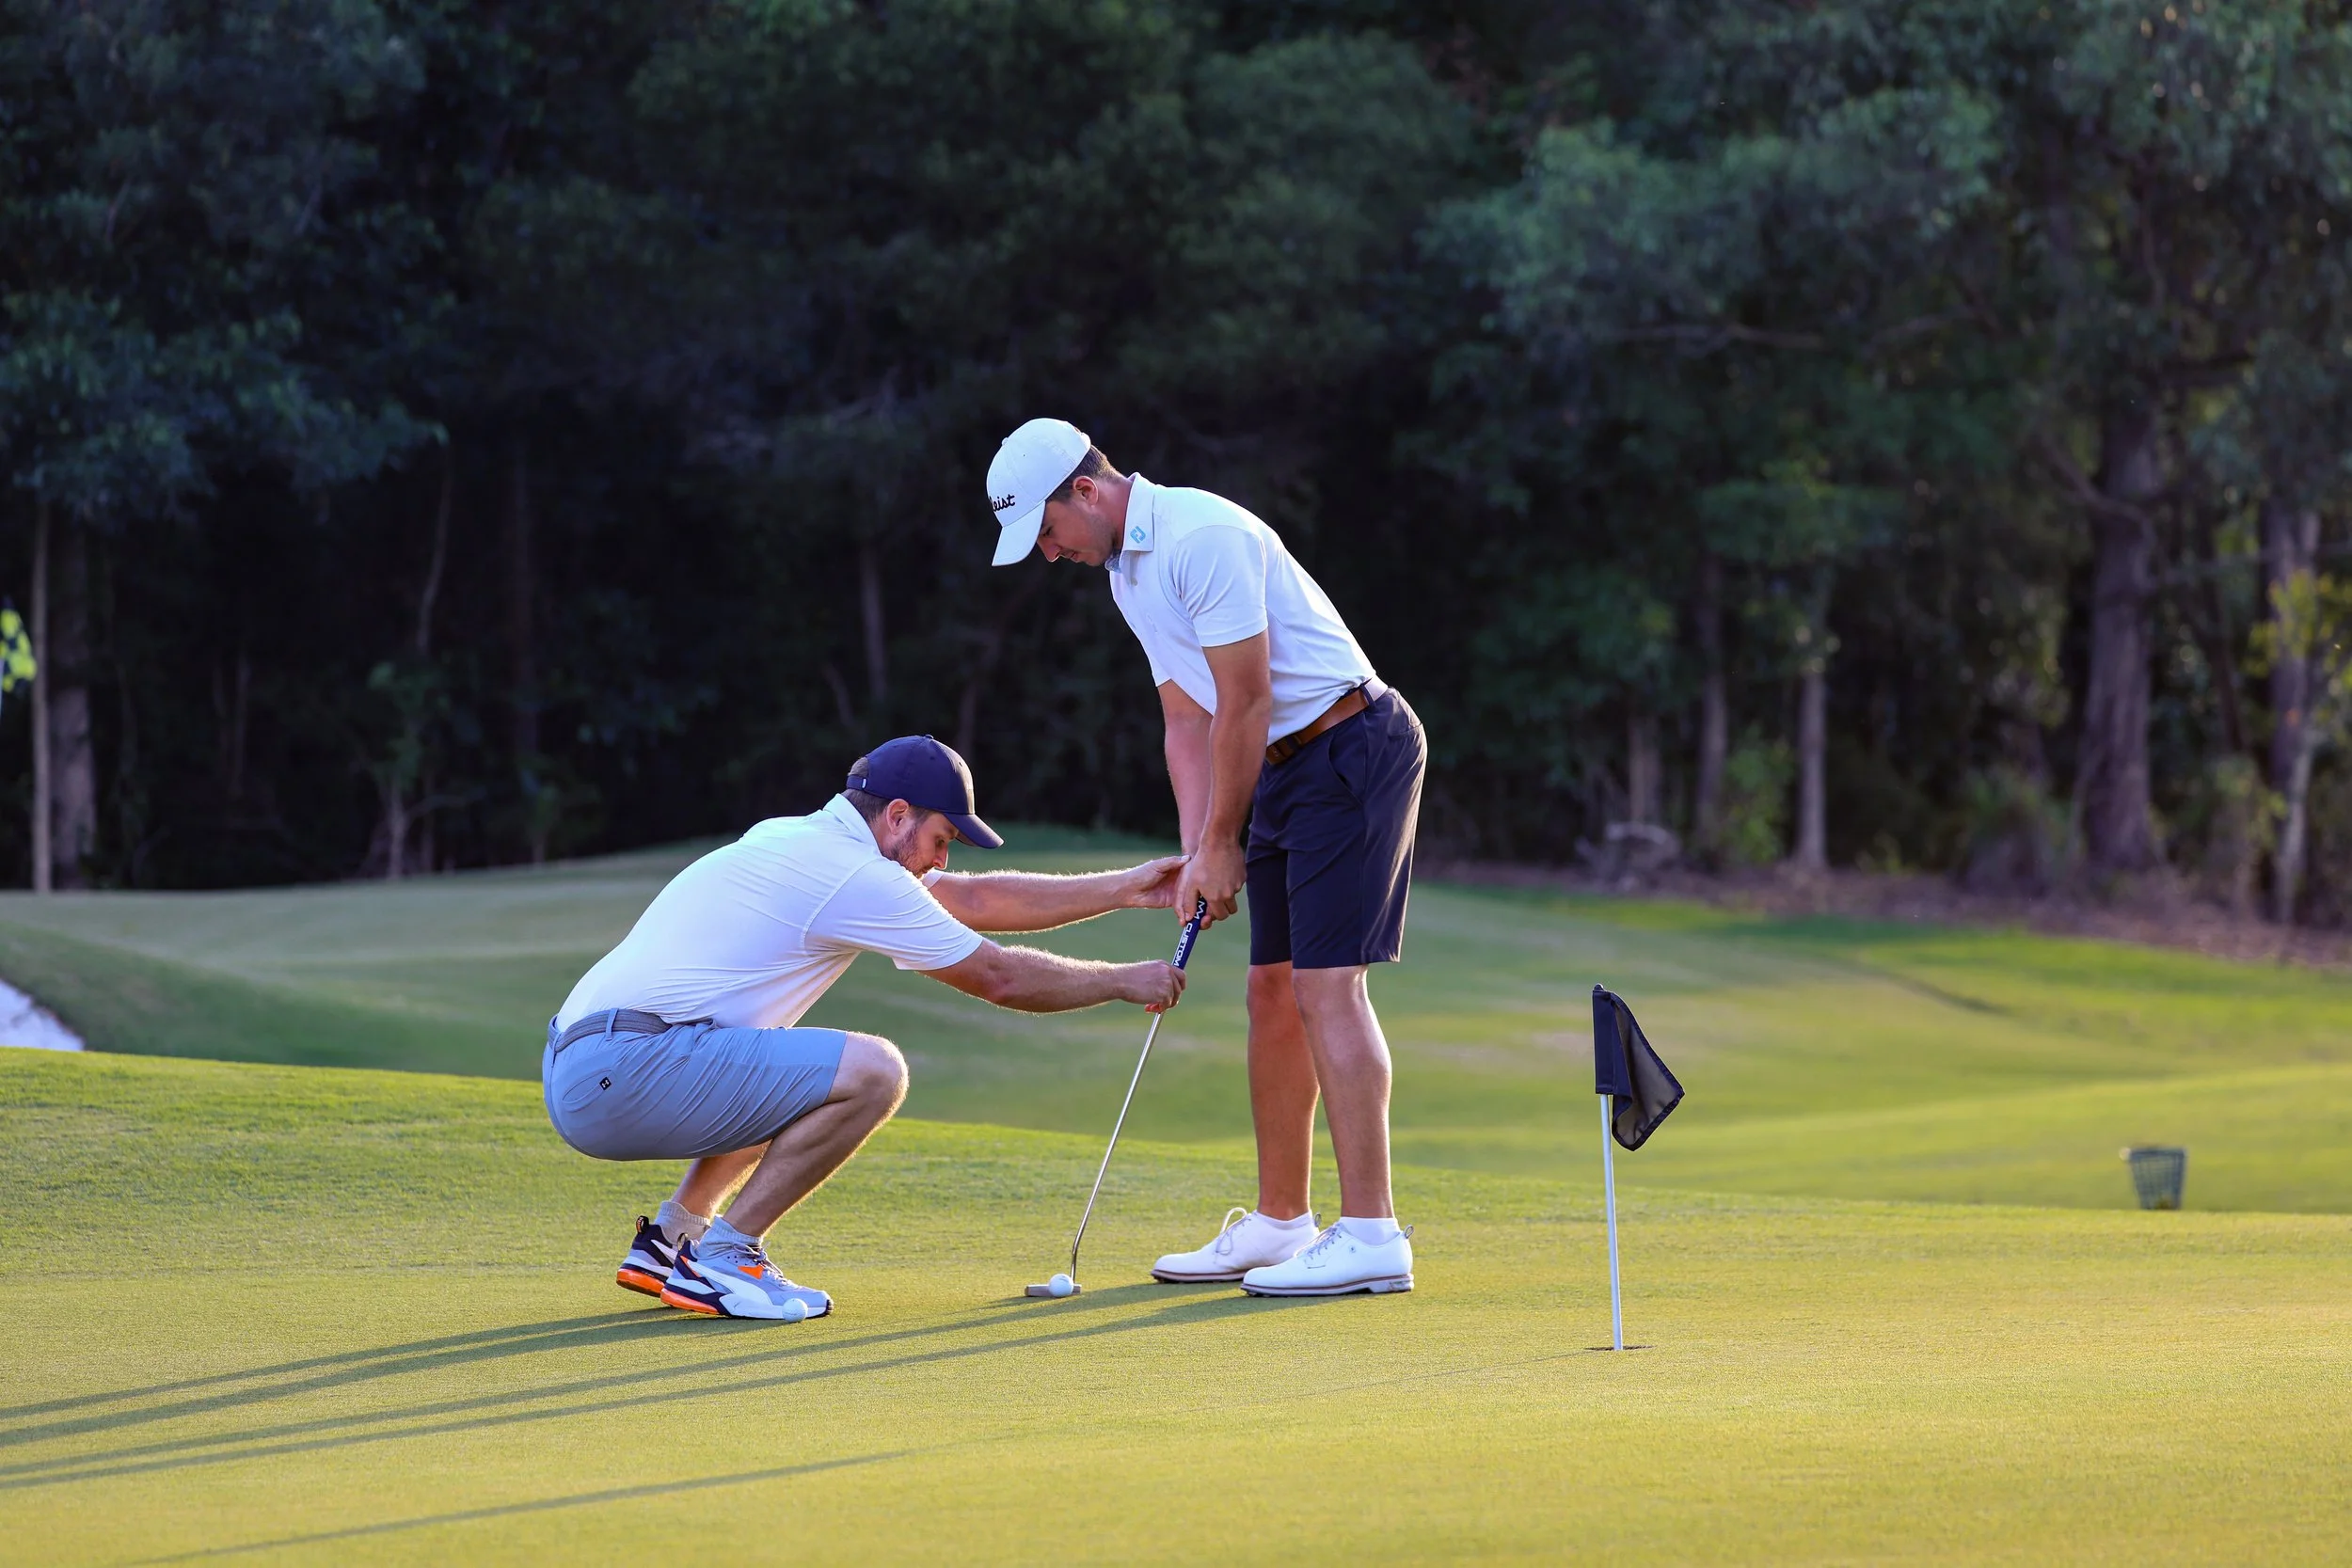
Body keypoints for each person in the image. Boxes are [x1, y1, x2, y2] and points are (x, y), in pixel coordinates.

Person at [985, 419, 1425, 1297]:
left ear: (1086, 491)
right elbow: (1186, 719)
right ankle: (1279, 1222)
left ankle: (1374, 1231)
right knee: (1272, 987)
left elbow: (1248, 694)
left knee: (1325, 983)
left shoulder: (1200, 535)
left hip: (1351, 744)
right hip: (1275, 762)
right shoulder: (1125, 578)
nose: (1046, 554)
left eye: (1045, 532)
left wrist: (1225, 840)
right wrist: (1197, 854)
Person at [544, 734, 1184, 1320]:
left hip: (589, 1063)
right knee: (873, 1072)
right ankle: (726, 1257)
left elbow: (971, 901)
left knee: (790, 1068)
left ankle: (674, 1239)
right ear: (898, 815)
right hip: (625, 1068)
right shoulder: (855, 873)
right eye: (940, 840)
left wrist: (1128, 887)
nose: (936, 861)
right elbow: (1001, 978)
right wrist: (1123, 980)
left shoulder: (798, 838)